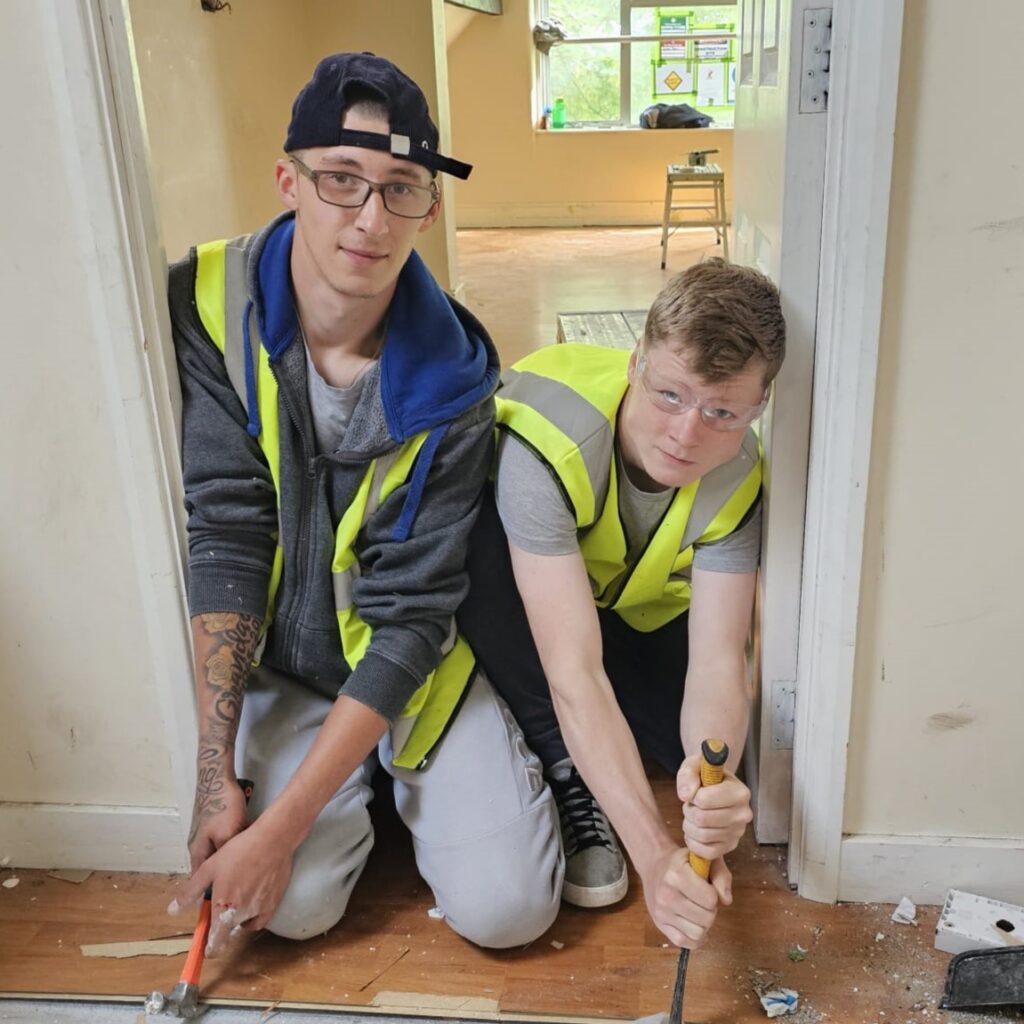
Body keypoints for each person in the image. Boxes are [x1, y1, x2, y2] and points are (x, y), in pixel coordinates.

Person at [167, 52, 562, 955]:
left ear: (428, 204)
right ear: (289, 181)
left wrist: (276, 827)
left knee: (510, 914)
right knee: (288, 911)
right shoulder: (210, 303)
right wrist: (213, 772)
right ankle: (354, 793)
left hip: (408, 670)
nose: (371, 219)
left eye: (402, 188)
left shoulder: (457, 377)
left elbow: (413, 618)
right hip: (288, 670)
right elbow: (226, 531)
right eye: (341, 180)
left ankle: (402, 776)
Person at [458, 258, 785, 949]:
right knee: (485, 565)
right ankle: (554, 758)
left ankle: (603, 759)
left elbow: (721, 662)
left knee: (681, 756)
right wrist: (655, 855)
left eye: (722, 411)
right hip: (524, 599)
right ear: (636, 362)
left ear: (758, 408)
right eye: (670, 394)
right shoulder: (550, 440)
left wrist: (707, 806)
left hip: (626, 609)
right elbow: (575, 672)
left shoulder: (741, 475)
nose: (687, 435)